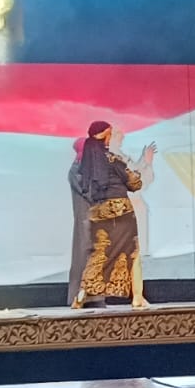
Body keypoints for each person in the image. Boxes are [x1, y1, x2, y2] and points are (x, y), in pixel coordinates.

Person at [75, 120, 149, 309]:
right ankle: (137, 297)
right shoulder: (114, 160)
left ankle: (81, 294)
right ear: (106, 137)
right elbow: (135, 184)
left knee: (98, 254)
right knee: (133, 252)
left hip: (98, 213)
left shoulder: (86, 164)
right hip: (121, 212)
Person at [66, 137, 90, 306]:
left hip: (94, 219)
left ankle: (94, 296)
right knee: (82, 257)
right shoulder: (76, 169)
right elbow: (88, 191)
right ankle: (78, 296)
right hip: (85, 219)